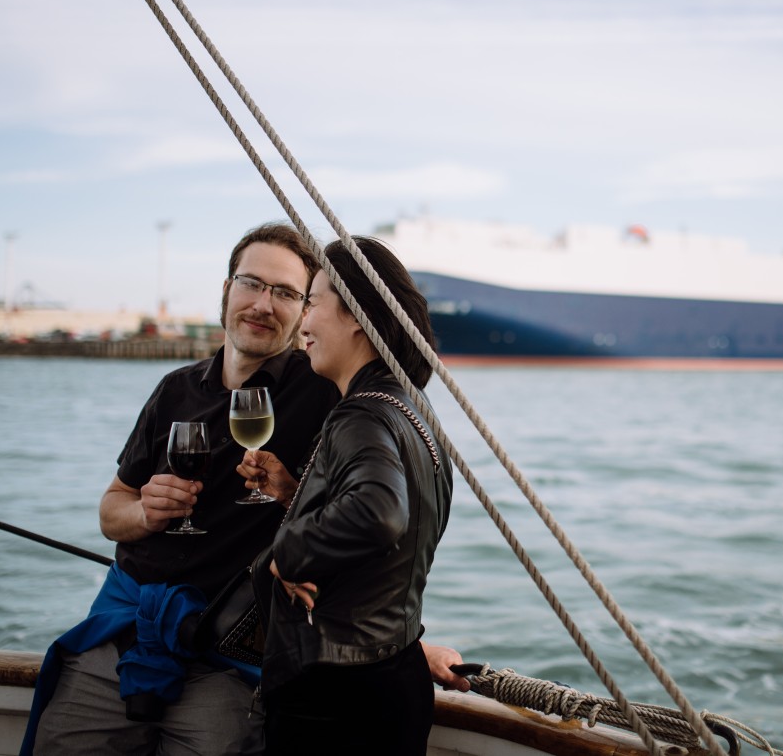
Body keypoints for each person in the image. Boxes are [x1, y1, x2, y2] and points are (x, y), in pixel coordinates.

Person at [23, 224, 465, 756]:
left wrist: (404, 646)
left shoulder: (329, 387)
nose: (263, 304)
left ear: (307, 309)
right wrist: (144, 512)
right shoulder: (173, 391)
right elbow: (110, 509)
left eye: (286, 293)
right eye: (251, 283)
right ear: (227, 289)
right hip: (128, 628)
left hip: (232, 654)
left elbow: (376, 514)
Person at [257, 236, 453, 756]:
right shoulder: (415, 408)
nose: (302, 324)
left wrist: (288, 553)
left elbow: (379, 514)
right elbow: (397, 534)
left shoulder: (360, 413)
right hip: (395, 675)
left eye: (312, 302)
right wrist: (295, 494)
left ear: (357, 317)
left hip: (332, 698)